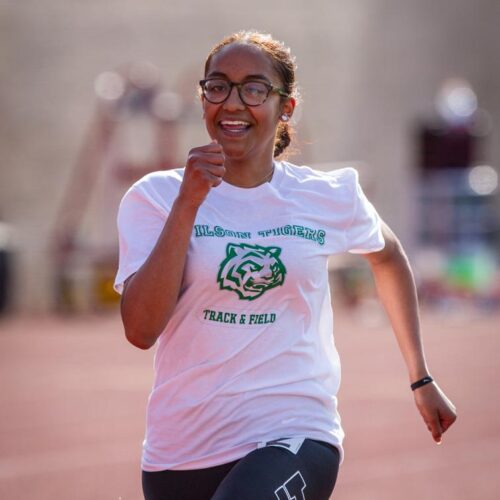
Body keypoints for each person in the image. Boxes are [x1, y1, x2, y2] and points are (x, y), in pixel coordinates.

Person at [114, 30, 457, 500]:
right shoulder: (153, 197)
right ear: (203, 99)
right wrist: (187, 205)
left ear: (285, 107)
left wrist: (420, 376)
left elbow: (389, 256)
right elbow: (140, 330)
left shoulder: (326, 195)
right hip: (180, 451)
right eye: (218, 87)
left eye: (254, 89)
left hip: (295, 431)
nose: (233, 103)